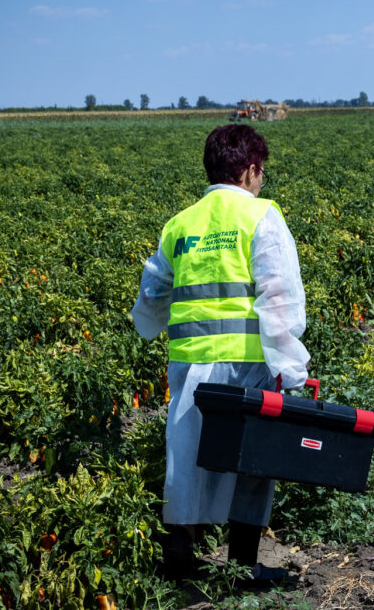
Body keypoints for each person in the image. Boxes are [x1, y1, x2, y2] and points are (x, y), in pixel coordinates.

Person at [132, 124, 310, 581]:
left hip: (191, 363)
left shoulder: (182, 223)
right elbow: (280, 298)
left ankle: (180, 557)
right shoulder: (261, 217)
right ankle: (243, 566)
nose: (262, 180)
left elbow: (152, 295)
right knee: (254, 458)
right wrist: (291, 369)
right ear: (250, 170)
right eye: (262, 172)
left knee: (186, 455)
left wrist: (147, 327)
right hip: (248, 363)